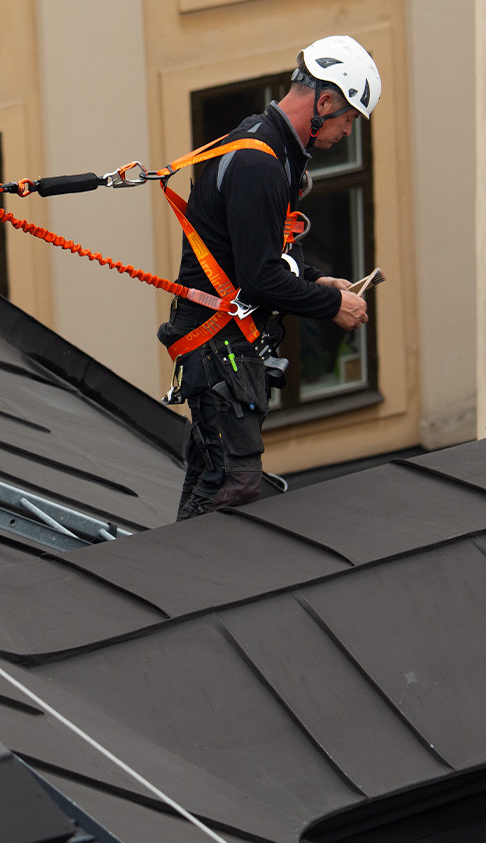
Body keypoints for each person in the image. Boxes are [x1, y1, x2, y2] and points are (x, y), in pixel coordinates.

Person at [158, 36, 381, 520]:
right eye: (348, 119)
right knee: (233, 485)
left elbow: (260, 256)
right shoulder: (261, 162)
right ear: (324, 101)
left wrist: (317, 282)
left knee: (211, 476)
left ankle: (181, 570)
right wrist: (331, 307)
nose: (347, 132)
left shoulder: (268, 147)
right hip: (218, 348)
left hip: (217, 345)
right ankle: (190, 577)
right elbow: (259, 278)